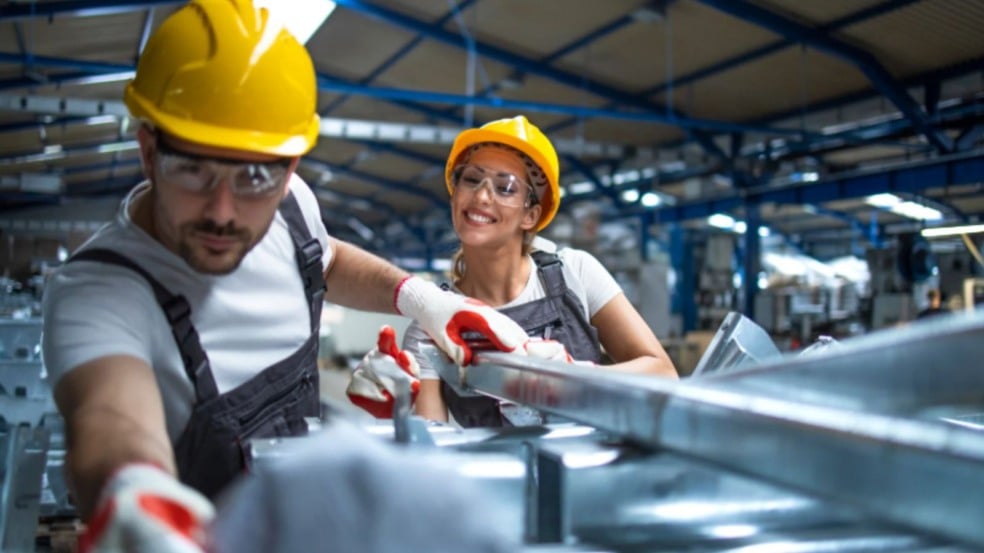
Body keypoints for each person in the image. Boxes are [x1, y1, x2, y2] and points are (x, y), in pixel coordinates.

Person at [40, 1, 529, 549]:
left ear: (289, 167)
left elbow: (328, 260)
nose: (223, 210)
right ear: (148, 151)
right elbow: (109, 416)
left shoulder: (290, 203)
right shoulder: (99, 291)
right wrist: (133, 491)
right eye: (193, 170)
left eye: (253, 178)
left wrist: (421, 299)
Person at [348, 116, 678, 427]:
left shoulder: (575, 274)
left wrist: (575, 377)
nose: (481, 196)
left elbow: (663, 374)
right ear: (454, 197)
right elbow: (431, 448)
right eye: (471, 179)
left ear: (530, 215)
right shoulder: (434, 322)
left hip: (585, 464)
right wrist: (402, 409)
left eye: (505, 187)